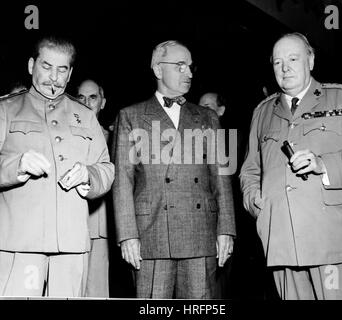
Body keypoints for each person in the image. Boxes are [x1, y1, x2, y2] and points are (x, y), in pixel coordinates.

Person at [240, 32, 342, 300]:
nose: (285, 68)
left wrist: (323, 164)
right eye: (277, 62)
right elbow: (251, 169)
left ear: (310, 60)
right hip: (283, 241)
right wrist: (254, 201)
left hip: (335, 242)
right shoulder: (262, 112)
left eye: (293, 58)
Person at [112, 40, 236, 299]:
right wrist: (127, 236)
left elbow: (220, 178)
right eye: (180, 66)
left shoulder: (208, 117)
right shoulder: (131, 116)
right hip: (151, 236)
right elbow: (123, 182)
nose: (189, 73)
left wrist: (226, 229)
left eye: (190, 66)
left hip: (200, 235)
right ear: (158, 70)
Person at [0, 36, 114, 297]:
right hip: (20, 243)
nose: (53, 77)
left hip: (72, 244)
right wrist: (16, 165)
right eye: (46, 66)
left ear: (70, 73)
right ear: (31, 66)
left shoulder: (85, 116)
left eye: (62, 70)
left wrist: (89, 175)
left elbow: (106, 168)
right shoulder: (6, 110)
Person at [77, 79, 110, 297]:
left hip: (100, 222)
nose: (87, 103)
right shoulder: (63, 134)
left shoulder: (115, 136)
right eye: (81, 97)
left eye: (93, 97)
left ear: (103, 102)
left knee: (97, 290)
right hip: (71, 222)